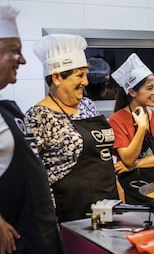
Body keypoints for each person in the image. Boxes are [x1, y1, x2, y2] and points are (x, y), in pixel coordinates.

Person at [25, 34, 118, 222]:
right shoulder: (38, 116)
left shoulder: (88, 105)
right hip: (70, 212)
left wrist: (119, 191)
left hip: (108, 203)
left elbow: (104, 156)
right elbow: (30, 174)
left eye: (86, 74)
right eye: (80, 75)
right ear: (57, 77)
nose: (86, 81)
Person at [0, 5, 65, 254]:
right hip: (13, 248)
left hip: (41, 238)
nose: (23, 60)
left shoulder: (8, 109)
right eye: (15, 50)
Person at [109, 53, 154, 204]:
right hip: (131, 193)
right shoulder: (117, 119)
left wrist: (135, 165)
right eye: (149, 88)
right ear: (132, 92)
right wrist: (142, 127)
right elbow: (128, 158)